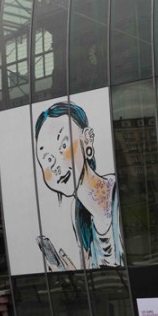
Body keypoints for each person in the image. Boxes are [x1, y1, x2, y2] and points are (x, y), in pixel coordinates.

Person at [34, 102, 123, 270]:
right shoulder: (78, 213)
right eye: (47, 159)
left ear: (87, 139)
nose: (56, 166)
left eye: (63, 146)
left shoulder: (118, 197)